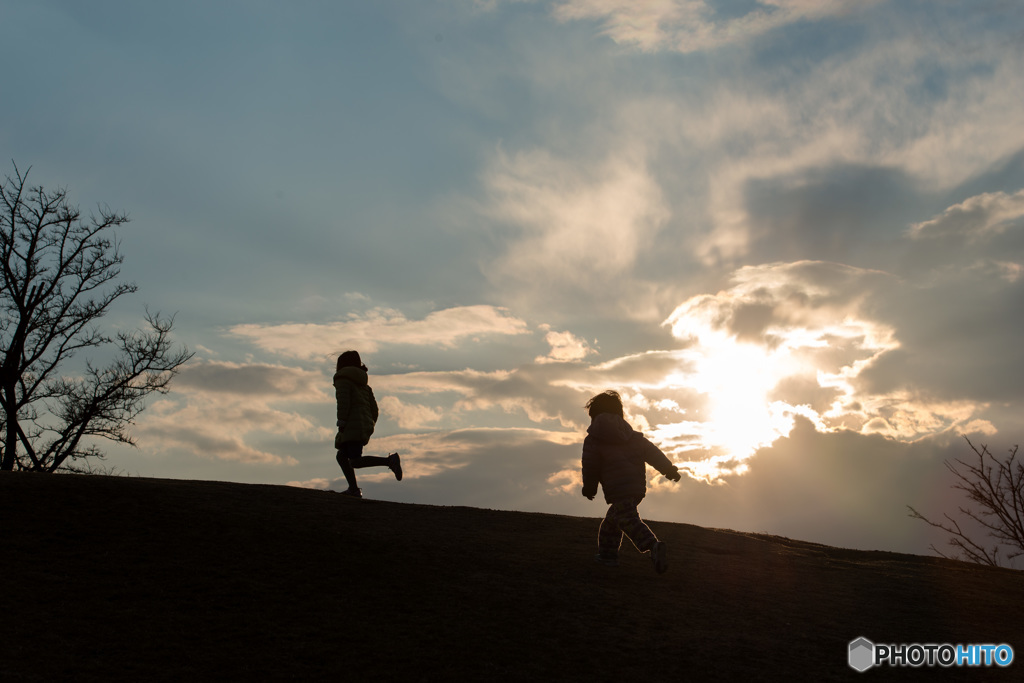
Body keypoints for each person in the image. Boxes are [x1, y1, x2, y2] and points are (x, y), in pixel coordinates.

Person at [581, 390, 681, 573]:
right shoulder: (633, 437)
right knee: (611, 522)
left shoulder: (593, 440)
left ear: (594, 416)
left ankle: (653, 546)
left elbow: (590, 465)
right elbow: (653, 453)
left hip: (617, 489)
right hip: (635, 488)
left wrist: (589, 487)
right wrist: (668, 470)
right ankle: (607, 556)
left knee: (627, 519)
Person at [333, 350, 402, 498]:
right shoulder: (365, 385)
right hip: (362, 425)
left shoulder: (342, 380)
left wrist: (342, 420)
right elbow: (374, 410)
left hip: (351, 425)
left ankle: (389, 461)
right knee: (342, 456)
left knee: (355, 461)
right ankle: (353, 489)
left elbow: (343, 402)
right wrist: (368, 425)